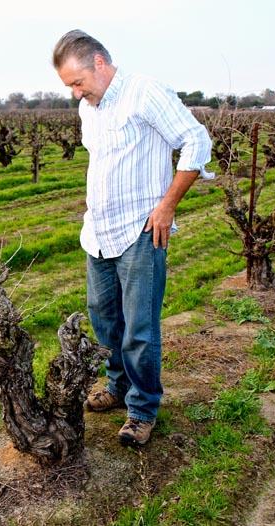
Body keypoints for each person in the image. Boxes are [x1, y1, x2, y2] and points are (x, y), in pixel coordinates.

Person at [52, 30, 213, 447]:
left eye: (77, 82)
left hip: (142, 229)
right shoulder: (91, 107)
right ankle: (119, 386)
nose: (74, 93)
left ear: (99, 64)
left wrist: (168, 206)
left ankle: (143, 409)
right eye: (69, 85)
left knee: (139, 327)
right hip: (100, 231)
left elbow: (195, 140)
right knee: (104, 318)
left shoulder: (145, 92)